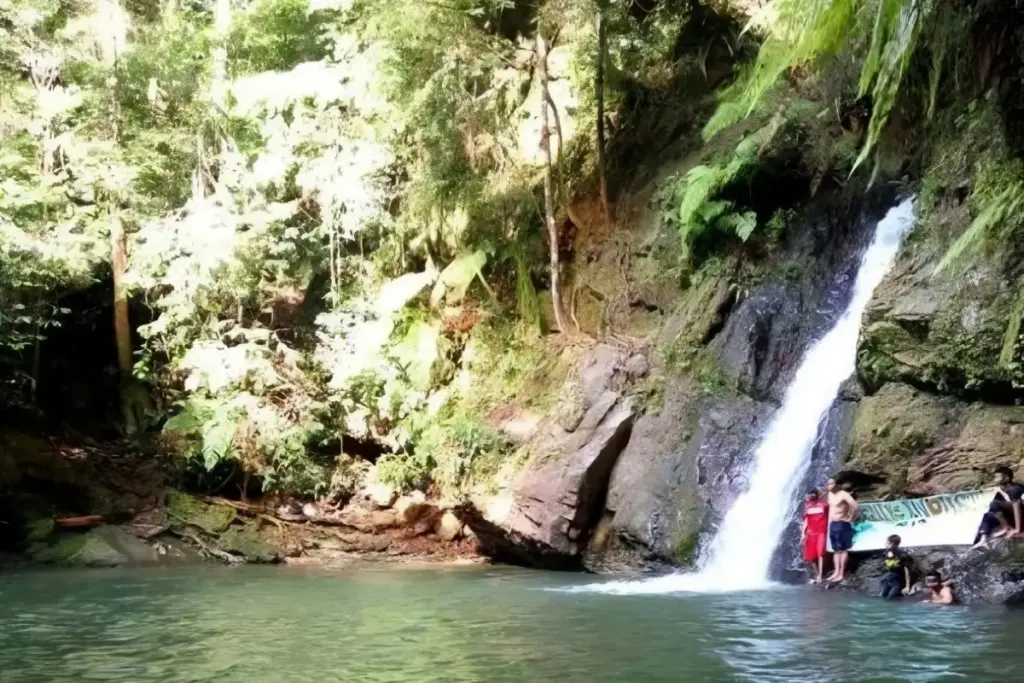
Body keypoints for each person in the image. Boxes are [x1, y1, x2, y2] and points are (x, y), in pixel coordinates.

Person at [974, 466, 1024, 548]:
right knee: (993, 506)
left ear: (1006, 477)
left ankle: (1009, 529)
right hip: (1017, 510)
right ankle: (985, 536)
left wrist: (1017, 529)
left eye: (998, 476)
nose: (995, 478)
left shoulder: (1013, 489)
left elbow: (1016, 505)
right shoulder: (1004, 488)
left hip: (1021, 511)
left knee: (995, 503)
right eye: (995, 476)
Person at [825, 477, 858, 583]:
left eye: (832, 484)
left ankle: (841, 573)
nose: (829, 486)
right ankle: (836, 571)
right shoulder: (830, 494)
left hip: (842, 523)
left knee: (843, 549)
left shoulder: (843, 494)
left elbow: (855, 505)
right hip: (833, 524)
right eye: (828, 484)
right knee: (836, 550)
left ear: (837, 485)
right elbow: (831, 508)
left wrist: (850, 517)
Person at [801, 490, 829, 584]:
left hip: (821, 531)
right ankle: (817, 574)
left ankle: (820, 575)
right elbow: (805, 521)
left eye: (812, 494)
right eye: (809, 494)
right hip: (811, 532)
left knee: (820, 553)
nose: (810, 496)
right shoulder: (807, 506)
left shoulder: (824, 504)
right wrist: (803, 534)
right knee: (811, 556)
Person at [879, 534, 912, 600]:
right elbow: (885, 569)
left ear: (893, 544)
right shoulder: (885, 553)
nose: (885, 544)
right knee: (882, 597)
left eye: (888, 543)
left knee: (890, 598)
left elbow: (907, 571)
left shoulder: (902, 555)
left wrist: (907, 586)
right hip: (886, 579)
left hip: (896, 581)